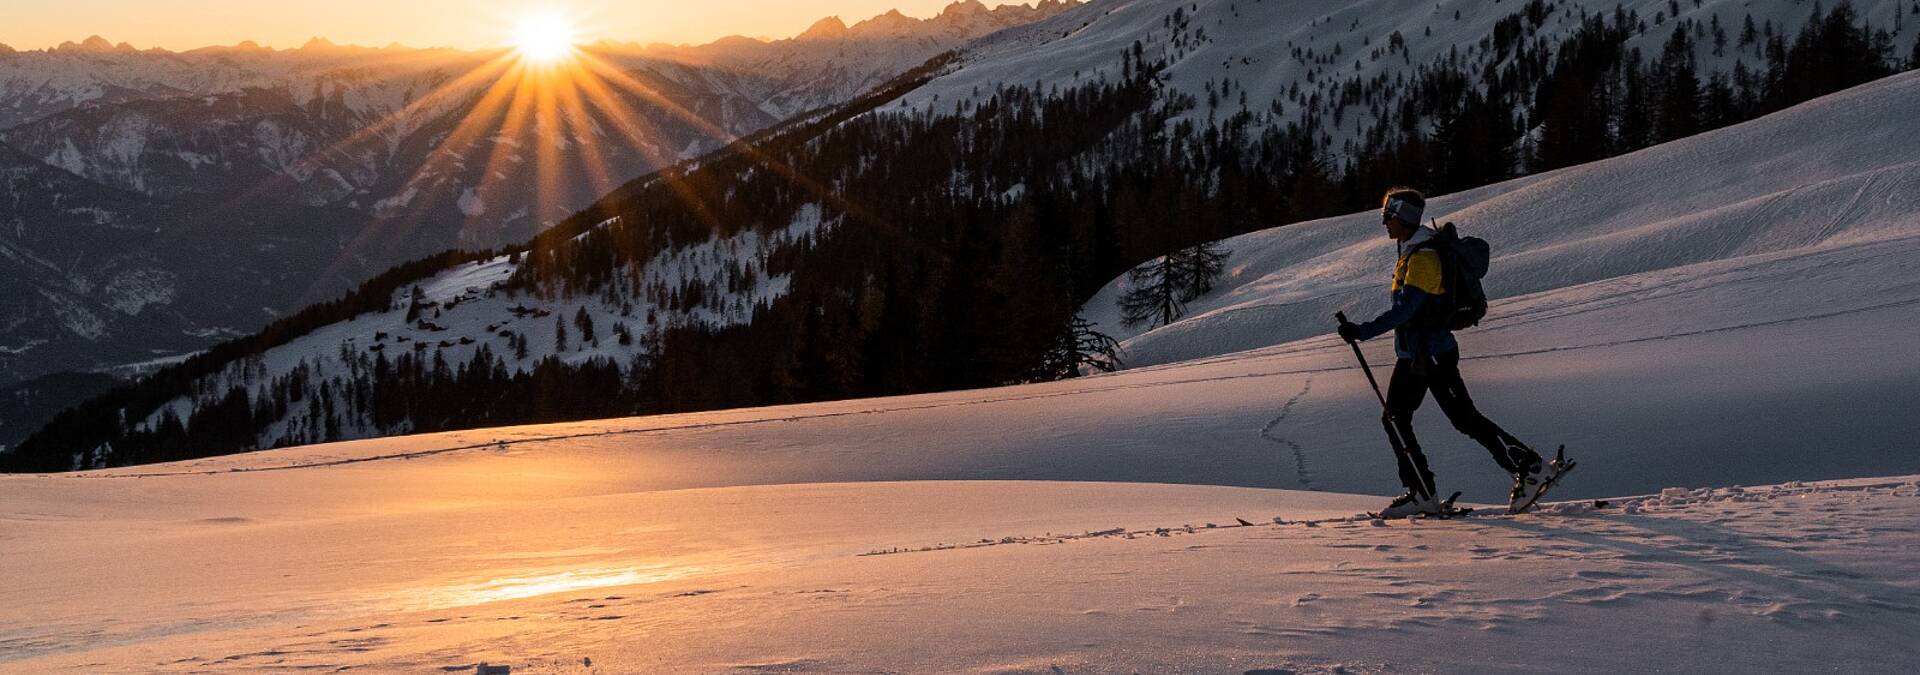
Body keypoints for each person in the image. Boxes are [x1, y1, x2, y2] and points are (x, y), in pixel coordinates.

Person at [1337, 188, 1552, 517]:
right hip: (1419, 355)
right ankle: (1425, 489)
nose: (1385, 223)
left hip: (1430, 356)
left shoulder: (1423, 257)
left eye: (1389, 216)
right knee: (1404, 418)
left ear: (1404, 218)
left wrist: (1362, 331)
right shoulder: (1412, 250)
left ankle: (1526, 469)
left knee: (1448, 418)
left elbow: (1405, 311)